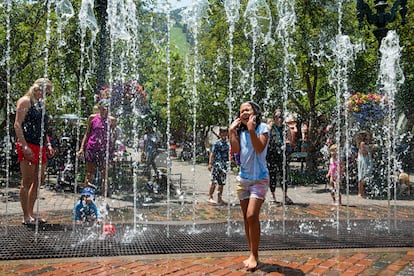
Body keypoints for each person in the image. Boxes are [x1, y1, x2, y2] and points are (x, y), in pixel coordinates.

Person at [229, 101, 269, 271]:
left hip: (259, 179)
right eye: (241, 111)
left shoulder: (263, 128)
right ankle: (251, 253)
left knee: (252, 215)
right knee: (246, 218)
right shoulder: (239, 131)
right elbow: (236, 150)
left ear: (255, 112)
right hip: (243, 179)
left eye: (248, 109)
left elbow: (259, 148)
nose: (244, 112)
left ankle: (255, 255)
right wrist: (232, 132)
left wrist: (252, 129)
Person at [14, 78, 55, 225]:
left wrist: (48, 144)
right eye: (46, 93)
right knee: (27, 180)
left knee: (39, 180)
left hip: (41, 145)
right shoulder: (25, 101)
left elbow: (43, 128)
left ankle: (31, 213)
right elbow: (17, 125)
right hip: (28, 143)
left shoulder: (40, 103)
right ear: (38, 89)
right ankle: (26, 216)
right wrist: (24, 146)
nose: (46, 97)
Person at [76, 93, 117, 197]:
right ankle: (85, 197)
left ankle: (104, 197)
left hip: (104, 150)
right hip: (92, 148)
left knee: (105, 174)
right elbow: (87, 133)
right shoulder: (92, 118)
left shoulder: (112, 120)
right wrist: (81, 148)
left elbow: (114, 135)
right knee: (89, 173)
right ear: (99, 108)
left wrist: (113, 149)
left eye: (107, 108)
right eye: (103, 108)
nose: (105, 111)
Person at [266, 108, 293, 204]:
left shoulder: (286, 127)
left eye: (281, 117)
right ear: (274, 118)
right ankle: (273, 196)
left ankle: (285, 195)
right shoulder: (270, 127)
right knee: (272, 175)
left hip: (282, 154)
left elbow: (290, 140)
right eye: (277, 117)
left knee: (284, 175)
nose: (279, 119)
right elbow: (265, 139)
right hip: (272, 154)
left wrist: (287, 142)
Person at [207, 127, 229, 205]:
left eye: (225, 133)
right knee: (214, 182)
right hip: (217, 165)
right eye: (222, 133)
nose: (224, 135)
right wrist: (210, 164)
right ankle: (210, 197)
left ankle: (219, 198)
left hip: (224, 166)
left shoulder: (227, 144)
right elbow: (212, 154)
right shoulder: (217, 143)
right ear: (219, 134)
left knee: (221, 183)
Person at [356, 131, 372, 198]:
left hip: (366, 160)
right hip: (363, 161)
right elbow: (364, 152)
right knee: (361, 176)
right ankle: (360, 193)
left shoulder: (365, 143)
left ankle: (362, 192)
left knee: (364, 176)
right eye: (368, 135)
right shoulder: (362, 143)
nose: (369, 136)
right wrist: (370, 149)